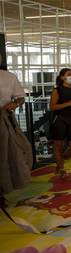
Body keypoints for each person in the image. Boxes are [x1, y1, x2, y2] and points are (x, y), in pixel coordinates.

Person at [0, 54, 28, 208]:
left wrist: (14, 103)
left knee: (4, 156)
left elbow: (21, 97)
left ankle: (2, 193)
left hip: (4, 121)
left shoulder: (9, 77)